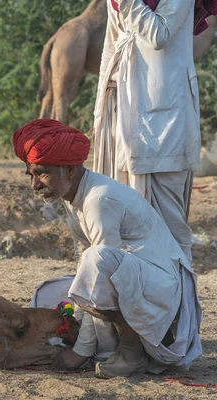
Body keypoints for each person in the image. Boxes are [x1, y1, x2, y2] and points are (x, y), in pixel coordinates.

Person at [13, 119, 202, 378]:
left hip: (161, 291)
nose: (34, 185)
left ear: (69, 170)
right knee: (46, 295)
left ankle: (131, 352)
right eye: (30, 174)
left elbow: (99, 269)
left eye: (42, 173)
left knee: (96, 260)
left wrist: (81, 351)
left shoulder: (99, 199)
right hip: (133, 278)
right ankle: (104, 342)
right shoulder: (73, 194)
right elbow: (86, 268)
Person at [94, 0, 202, 262]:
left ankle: (181, 300)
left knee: (171, 227)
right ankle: (139, 298)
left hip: (168, 120)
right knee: (125, 224)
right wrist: (101, 110)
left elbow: (158, 35)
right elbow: (111, 45)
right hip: (123, 113)